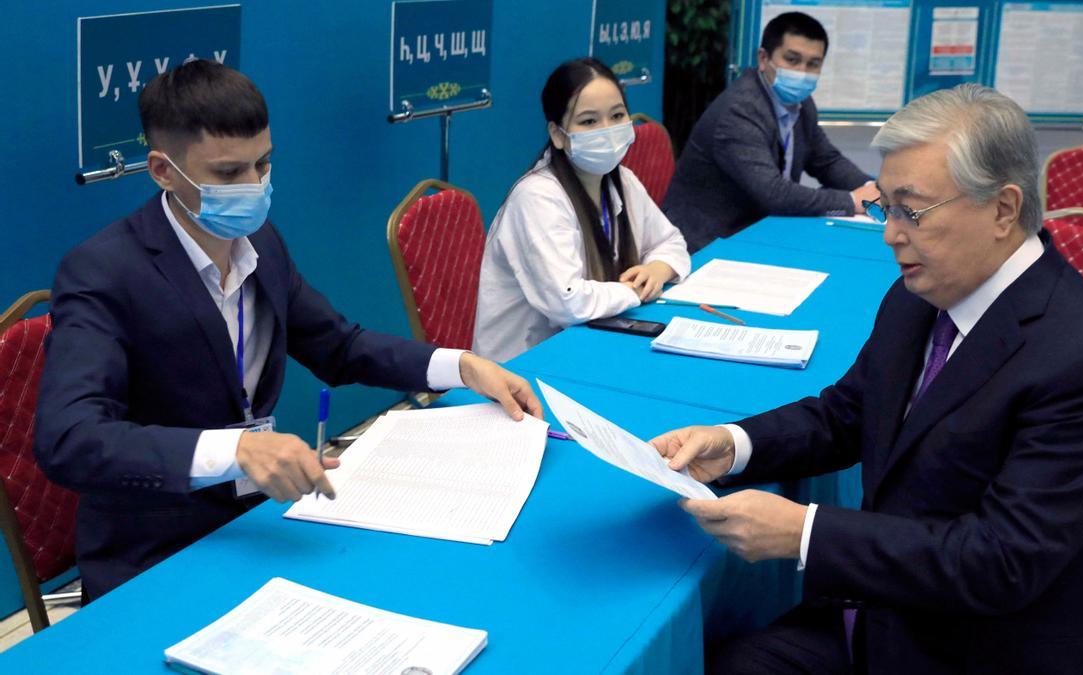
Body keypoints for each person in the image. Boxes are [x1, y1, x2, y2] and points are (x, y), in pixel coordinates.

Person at [651, 84, 1083, 673]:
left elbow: (1001, 563)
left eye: (911, 211)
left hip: (985, 647)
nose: (891, 234)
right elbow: (850, 411)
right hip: (882, 609)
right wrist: (734, 446)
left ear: (1002, 208)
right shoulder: (920, 294)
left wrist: (806, 534)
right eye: (884, 207)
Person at [34, 60, 542, 601]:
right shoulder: (104, 271)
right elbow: (70, 439)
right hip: (159, 553)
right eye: (229, 174)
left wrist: (459, 365)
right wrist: (237, 452)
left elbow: (340, 346)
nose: (253, 187)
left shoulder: (263, 244)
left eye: (264, 164)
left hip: (261, 525)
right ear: (162, 170)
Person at [472, 57, 690, 363]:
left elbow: (671, 242)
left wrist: (657, 268)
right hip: (524, 369)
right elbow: (568, 300)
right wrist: (633, 291)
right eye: (589, 121)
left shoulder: (622, 180)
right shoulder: (537, 197)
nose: (607, 130)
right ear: (559, 134)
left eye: (617, 116)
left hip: (592, 346)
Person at [662, 12, 879, 252]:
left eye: (813, 64)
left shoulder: (803, 104)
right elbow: (773, 193)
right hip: (706, 242)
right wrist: (851, 201)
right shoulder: (739, 111)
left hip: (764, 228)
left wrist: (876, 190)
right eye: (792, 59)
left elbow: (827, 161)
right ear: (764, 58)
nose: (802, 72)